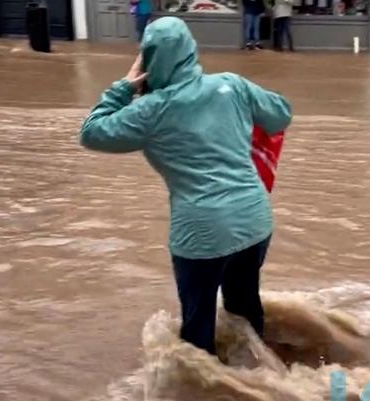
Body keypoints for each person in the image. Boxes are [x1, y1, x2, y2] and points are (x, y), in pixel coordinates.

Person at [79, 17, 292, 356]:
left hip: (202, 234)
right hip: (254, 220)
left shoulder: (150, 111)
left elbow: (91, 132)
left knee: (197, 329)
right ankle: (265, 378)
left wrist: (124, 87)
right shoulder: (232, 85)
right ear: (191, 51)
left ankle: (206, 399)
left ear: (148, 60)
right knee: (245, 308)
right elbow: (280, 114)